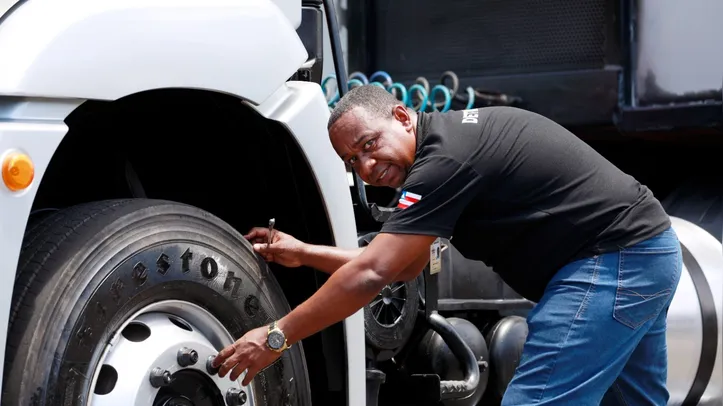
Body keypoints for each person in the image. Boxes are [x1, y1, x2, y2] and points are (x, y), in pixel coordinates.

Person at [212, 85, 682, 405]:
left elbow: (374, 272)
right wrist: (304, 252)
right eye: (352, 161)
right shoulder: (448, 143)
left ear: (401, 116)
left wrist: (277, 336)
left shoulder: (444, 160)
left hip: (611, 262)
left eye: (370, 145)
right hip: (645, 254)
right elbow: (401, 266)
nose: (367, 167)